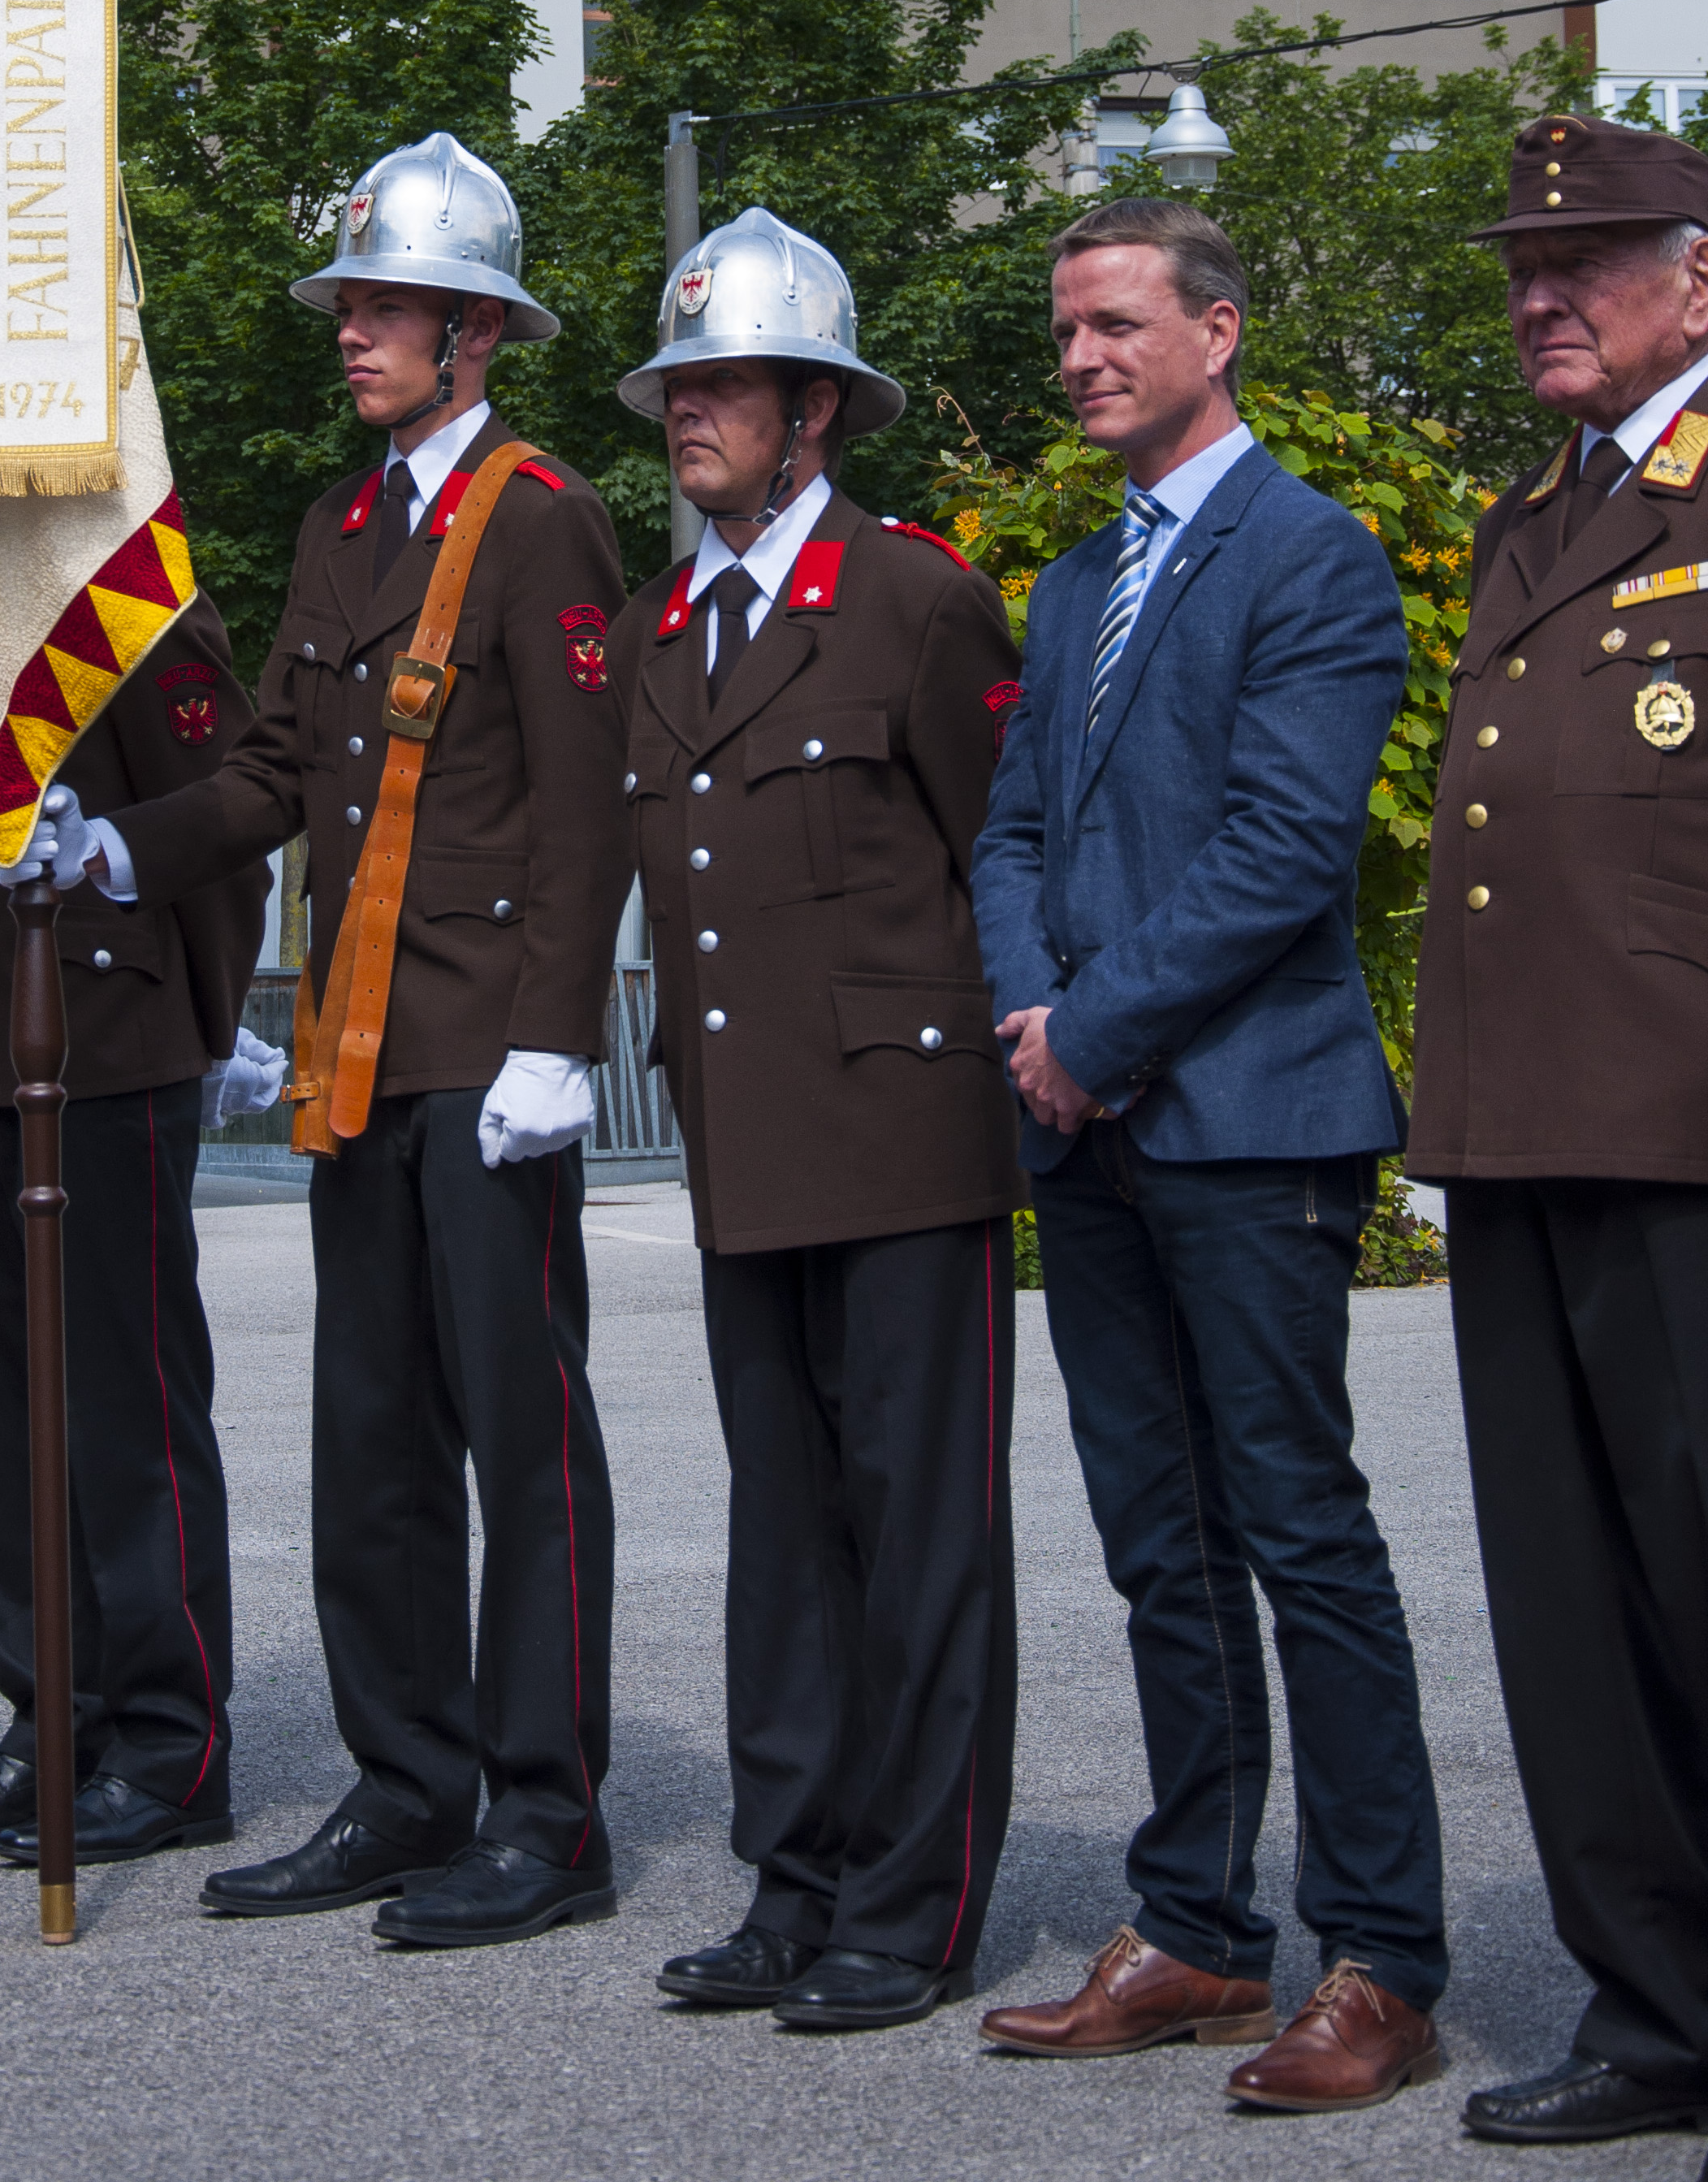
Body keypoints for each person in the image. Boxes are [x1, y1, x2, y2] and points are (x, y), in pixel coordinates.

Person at [970, 192, 1447, 2116]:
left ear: (1216, 329)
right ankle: (1193, 1925)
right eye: (1062, 328)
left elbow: (1278, 846)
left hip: (1247, 1125)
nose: (1078, 354)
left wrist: (1088, 1033)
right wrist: (1032, 1021)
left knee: (1297, 1534)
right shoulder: (1075, 581)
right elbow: (1009, 829)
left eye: (1111, 323)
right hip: (1082, 1133)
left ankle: (1379, 1955)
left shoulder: (1311, 558)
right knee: (1153, 1539)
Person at [136, 133, 633, 1949]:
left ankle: (545, 1811)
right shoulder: (343, 525)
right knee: (371, 1437)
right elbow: (274, 765)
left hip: (485, 1052)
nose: (352, 329)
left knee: (523, 1436)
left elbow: (589, 803)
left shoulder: (541, 514)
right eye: (350, 301)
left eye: (387, 304)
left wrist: (555, 1034)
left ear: (474, 331)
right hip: (359, 1052)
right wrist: (132, 839)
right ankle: (408, 1781)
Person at [606, 209, 1024, 2035]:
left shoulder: (916, 599)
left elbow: (997, 843)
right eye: (677, 384)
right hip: (743, 1135)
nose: (688, 412)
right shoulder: (656, 620)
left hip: (904, 1128)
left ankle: (910, 1901)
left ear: (813, 414)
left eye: (724, 385)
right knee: (781, 1529)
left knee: (915, 1530)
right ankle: (797, 1870)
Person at [1408, 111, 1708, 2150]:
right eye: (1525, 261)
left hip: (1684, 1131)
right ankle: (1652, 2005)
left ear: (1696, 276)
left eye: (1587, 258)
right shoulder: (1535, 509)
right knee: (1570, 1602)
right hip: (1523, 1129)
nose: (1541, 289)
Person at [0, 589, 279, 1868]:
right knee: (4, 1416)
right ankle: (50, 1718)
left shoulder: (138, 600)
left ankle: (173, 1746)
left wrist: (207, 1033)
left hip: (113, 1042)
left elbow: (227, 832)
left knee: (130, 1412)